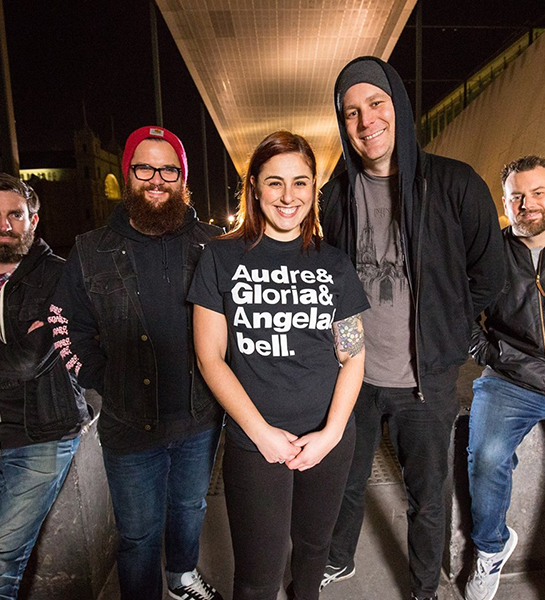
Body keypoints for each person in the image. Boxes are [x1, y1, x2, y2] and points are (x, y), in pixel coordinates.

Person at [318, 56, 505, 600]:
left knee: (427, 496)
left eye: (376, 103)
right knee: (345, 481)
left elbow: (489, 274)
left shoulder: (454, 184)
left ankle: (425, 587)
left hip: (425, 381)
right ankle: (337, 559)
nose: (366, 121)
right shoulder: (336, 195)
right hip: (355, 376)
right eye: (351, 112)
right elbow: (332, 284)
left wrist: (446, 333)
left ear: (398, 104)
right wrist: (346, 353)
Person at [188, 130, 369, 600]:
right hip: (254, 443)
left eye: (300, 182)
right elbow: (210, 358)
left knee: (312, 556)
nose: (289, 196)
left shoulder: (334, 265)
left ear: (314, 189)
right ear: (254, 187)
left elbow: (353, 354)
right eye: (275, 182)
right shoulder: (220, 258)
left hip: (327, 440)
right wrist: (260, 434)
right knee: (257, 577)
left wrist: (331, 434)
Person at [50, 126, 223, 600]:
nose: (156, 179)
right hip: (129, 425)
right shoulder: (90, 249)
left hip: (200, 418)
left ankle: (182, 577)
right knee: (138, 535)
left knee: (190, 508)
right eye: (144, 168)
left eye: (168, 169)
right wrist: (107, 380)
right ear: (127, 175)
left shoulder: (214, 244)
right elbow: (65, 325)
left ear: (183, 178)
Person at [0, 173, 90, 600]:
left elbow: (28, 361)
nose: (5, 225)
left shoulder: (61, 276)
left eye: (16, 215)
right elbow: (20, 357)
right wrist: (14, 352)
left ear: (33, 220)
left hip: (41, 431)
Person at [466, 155, 545, 600]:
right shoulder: (490, 252)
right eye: (516, 197)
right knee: (487, 456)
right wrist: (490, 353)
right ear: (504, 203)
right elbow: (460, 312)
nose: (528, 205)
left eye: (538, 193)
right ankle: (491, 549)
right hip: (511, 378)